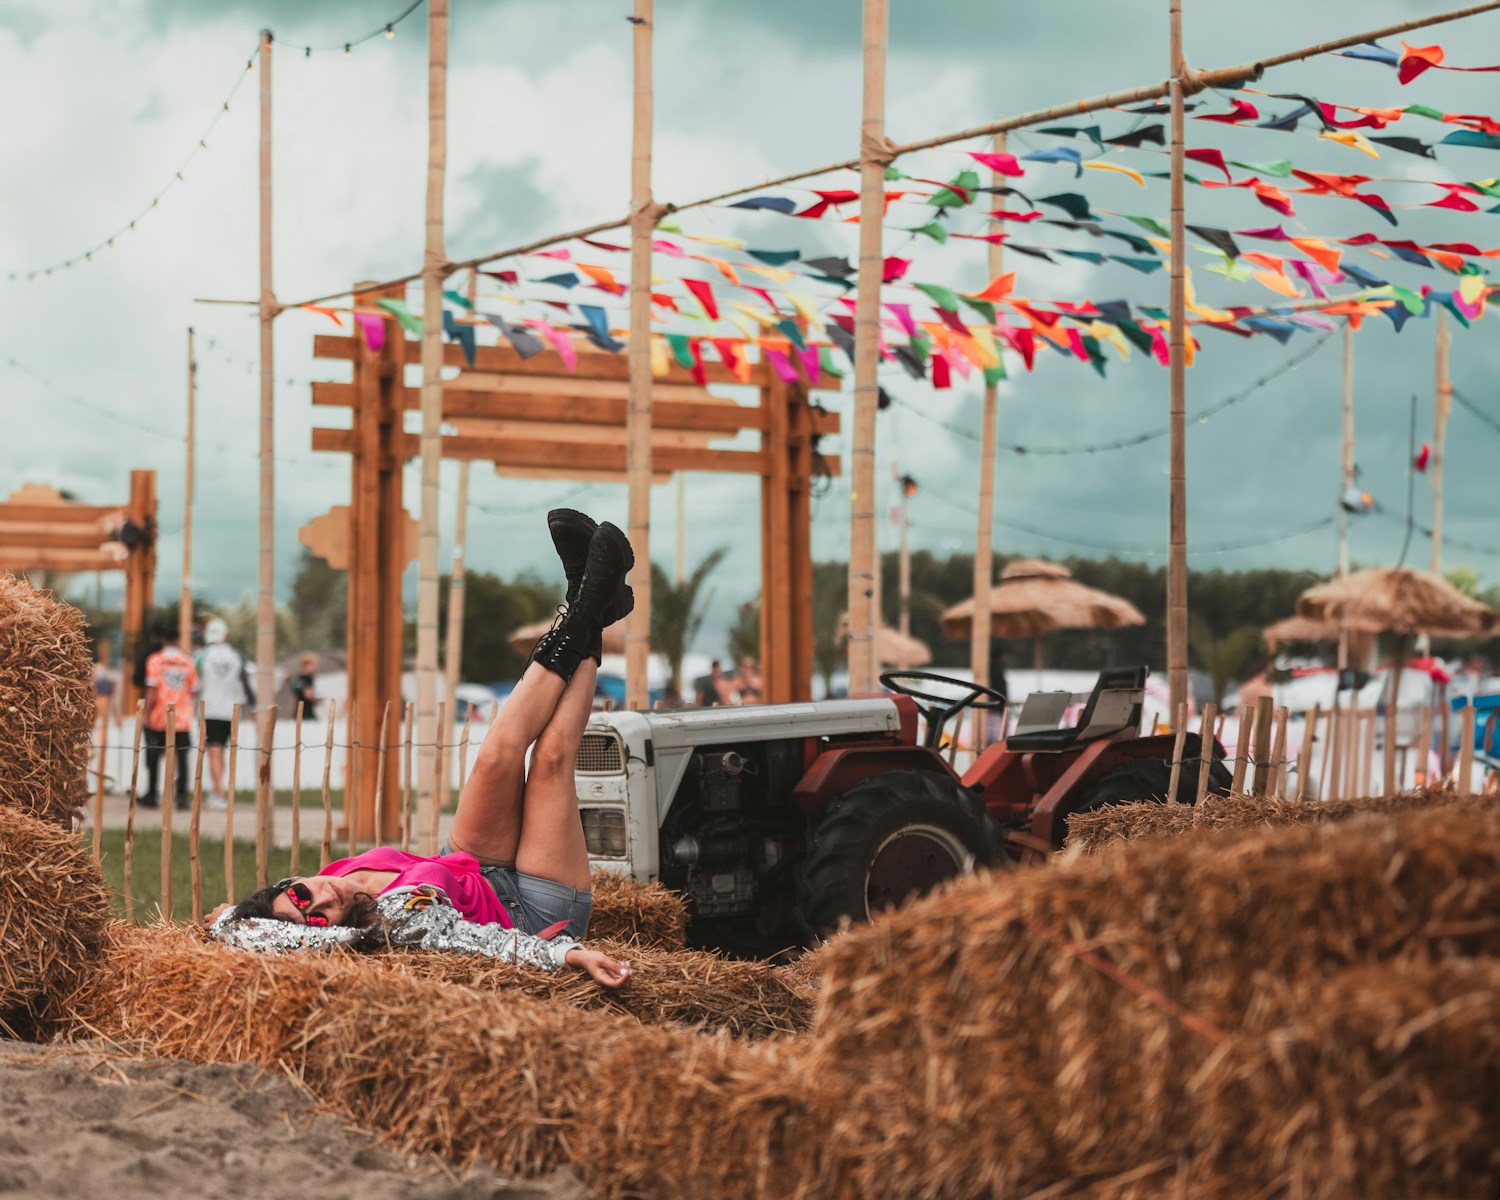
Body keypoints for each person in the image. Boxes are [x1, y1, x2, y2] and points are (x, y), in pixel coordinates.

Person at [210, 510, 636, 990]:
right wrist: (567, 953)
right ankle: (588, 602)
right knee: (551, 759)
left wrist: (229, 916)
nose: (325, 899)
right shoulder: (393, 923)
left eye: (303, 897)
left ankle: (591, 603)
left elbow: (238, 927)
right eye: (321, 919)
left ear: (283, 888)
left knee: (496, 754)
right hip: (531, 912)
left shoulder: (324, 878)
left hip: (471, 867)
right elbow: (487, 945)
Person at [196, 618, 255, 809]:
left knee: (214, 752)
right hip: (231, 710)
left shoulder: (201, 656)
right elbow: (245, 682)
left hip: (209, 708)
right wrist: (253, 707)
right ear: (226, 635)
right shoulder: (236, 655)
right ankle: (219, 791)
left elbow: (196, 682)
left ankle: (218, 792)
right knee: (223, 753)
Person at [141, 619, 198, 811]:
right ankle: (181, 796)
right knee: (182, 756)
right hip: (182, 716)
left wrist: (146, 714)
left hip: (159, 714)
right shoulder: (188, 662)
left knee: (154, 754)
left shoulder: (155, 661)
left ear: (164, 639)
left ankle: (152, 793)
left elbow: (151, 691)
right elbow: (194, 689)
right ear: (179, 639)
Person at [291, 653, 320, 719]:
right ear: (306, 665)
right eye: (313, 665)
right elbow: (308, 694)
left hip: (298, 710)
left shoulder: (298, 677)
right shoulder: (308, 678)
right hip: (306, 710)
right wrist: (316, 699)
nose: (315, 667)